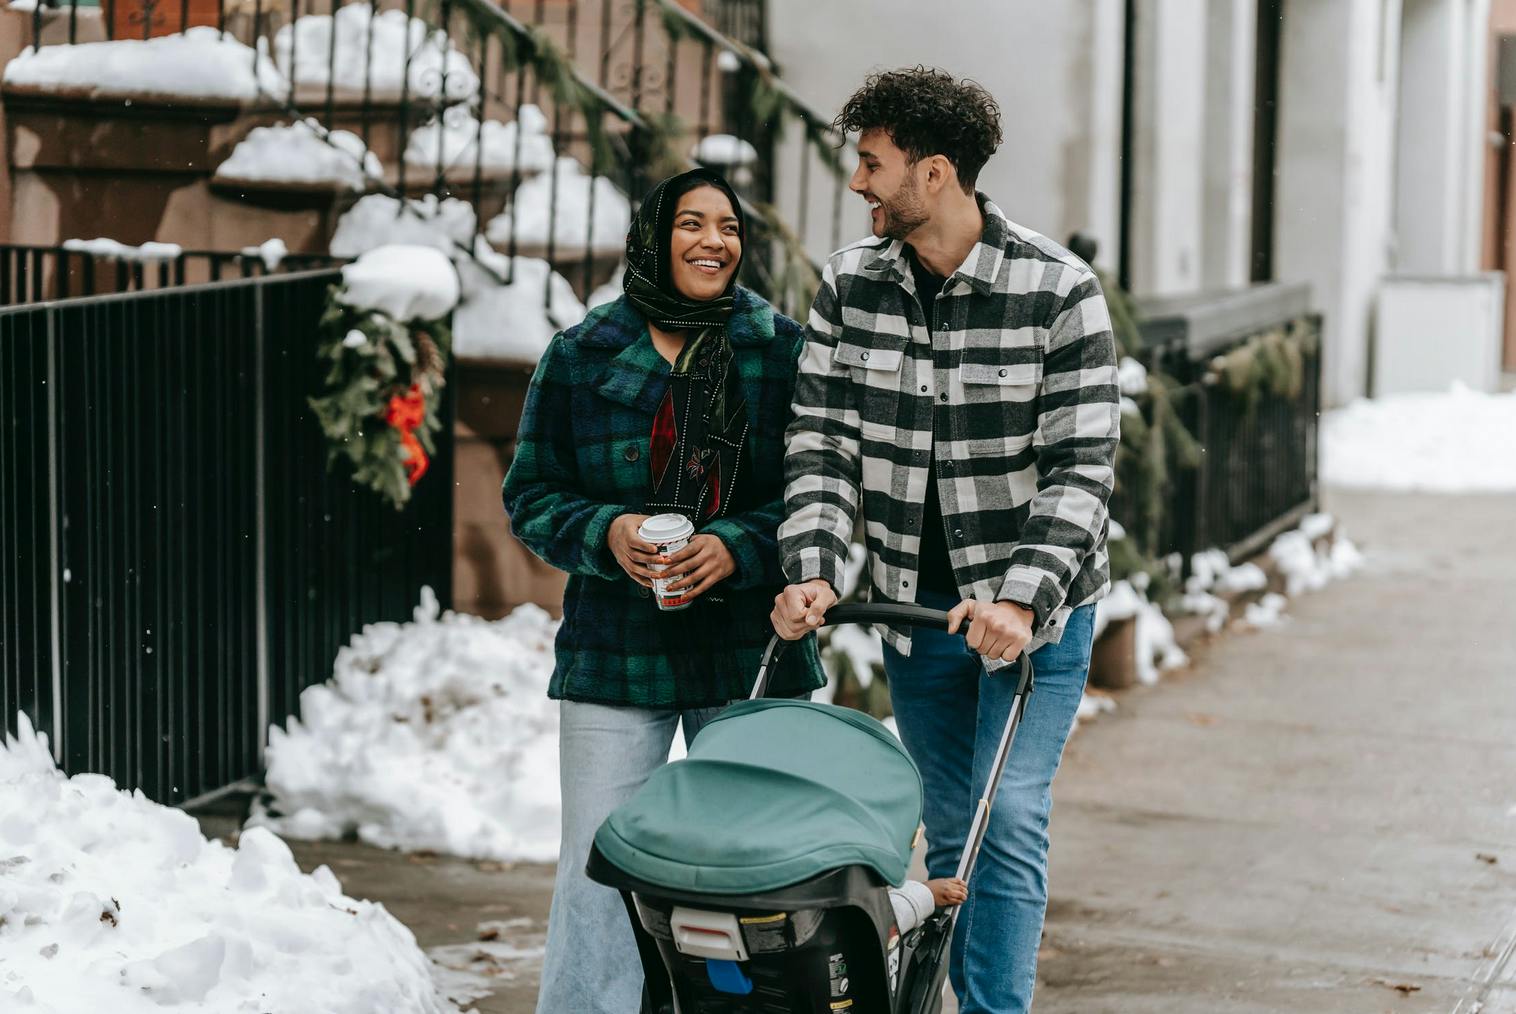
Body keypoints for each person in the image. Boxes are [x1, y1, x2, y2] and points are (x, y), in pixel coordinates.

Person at [770, 68, 1120, 1014]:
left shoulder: (1058, 291)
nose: (858, 184)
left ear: (934, 174)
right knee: (953, 825)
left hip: (1031, 621)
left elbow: (1081, 468)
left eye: (872, 165)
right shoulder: (849, 285)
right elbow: (821, 443)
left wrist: (1019, 597)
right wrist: (810, 566)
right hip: (916, 618)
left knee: (1004, 820)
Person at [502, 167, 823, 1014]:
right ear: (654, 236)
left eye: (728, 227)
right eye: (691, 223)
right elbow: (530, 495)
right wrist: (607, 534)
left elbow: (819, 493)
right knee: (597, 869)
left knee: (753, 871)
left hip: (750, 651)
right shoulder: (581, 355)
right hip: (616, 650)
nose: (713, 242)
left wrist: (737, 545)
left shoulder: (778, 350)